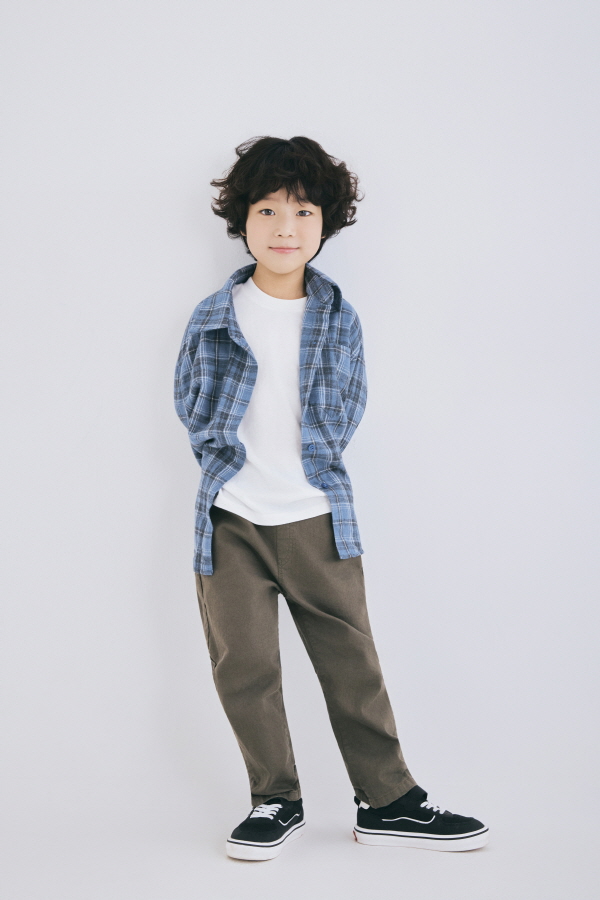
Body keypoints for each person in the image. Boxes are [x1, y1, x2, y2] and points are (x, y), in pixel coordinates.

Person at [173, 135, 489, 861]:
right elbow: (190, 403)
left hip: (317, 517)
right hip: (230, 520)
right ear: (241, 219)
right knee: (244, 666)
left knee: (352, 663)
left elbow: (348, 405)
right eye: (268, 210)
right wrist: (232, 471)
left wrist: (307, 468)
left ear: (325, 223)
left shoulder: (338, 315)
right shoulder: (214, 314)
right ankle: (274, 799)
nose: (285, 228)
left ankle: (388, 801)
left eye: (304, 211)